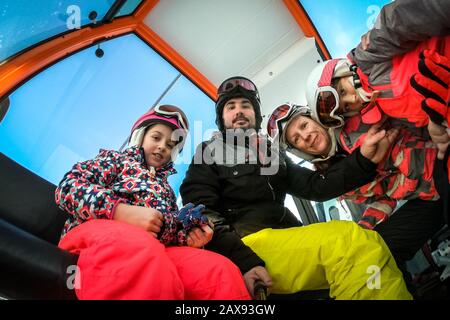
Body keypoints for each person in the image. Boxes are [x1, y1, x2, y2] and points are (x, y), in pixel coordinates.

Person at [180, 76, 412, 299]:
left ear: (256, 115)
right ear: (222, 118)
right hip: (248, 244)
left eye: (245, 105)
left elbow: (316, 187)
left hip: (287, 238)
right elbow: (201, 213)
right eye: (230, 107)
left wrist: (364, 159)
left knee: (372, 247)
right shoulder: (209, 151)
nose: (239, 111)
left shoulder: (272, 154)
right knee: (349, 241)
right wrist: (244, 260)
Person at [55, 105, 251, 300]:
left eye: (171, 145)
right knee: (143, 251)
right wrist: (119, 211)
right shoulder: (115, 160)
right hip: (95, 235)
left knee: (217, 270)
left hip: (153, 249)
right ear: (140, 136)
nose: (162, 147)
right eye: (156, 137)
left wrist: (189, 236)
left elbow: (167, 232)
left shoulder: (165, 190)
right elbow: (68, 187)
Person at [267, 103, 446, 292]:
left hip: (441, 166)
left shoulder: (357, 124)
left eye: (304, 126)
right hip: (429, 198)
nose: (306, 137)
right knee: (380, 247)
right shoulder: (334, 180)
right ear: (298, 150)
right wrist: (362, 233)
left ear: (315, 119)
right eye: (297, 139)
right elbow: (385, 198)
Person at [304, 0, 450, 163]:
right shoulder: (387, 112)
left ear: (342, 72)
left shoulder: (368, 56)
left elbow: (402, 18)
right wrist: (436, 128)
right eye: (346, 107)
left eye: (343, 91)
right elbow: (425, 130)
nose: (353, 100)